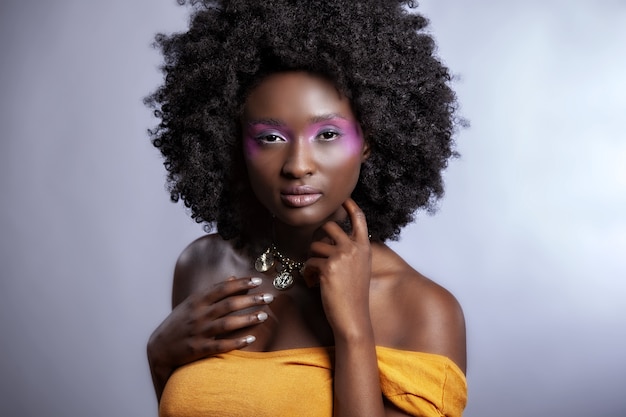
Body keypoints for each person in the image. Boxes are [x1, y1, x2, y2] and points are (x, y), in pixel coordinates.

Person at [145, 0, 467, 416]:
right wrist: (158, 357)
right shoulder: (202, 267)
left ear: (369, 139)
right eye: (270, 138)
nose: (298, 165)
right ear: (232, 140)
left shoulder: (422, 310)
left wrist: (353, 330)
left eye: (328, 134)